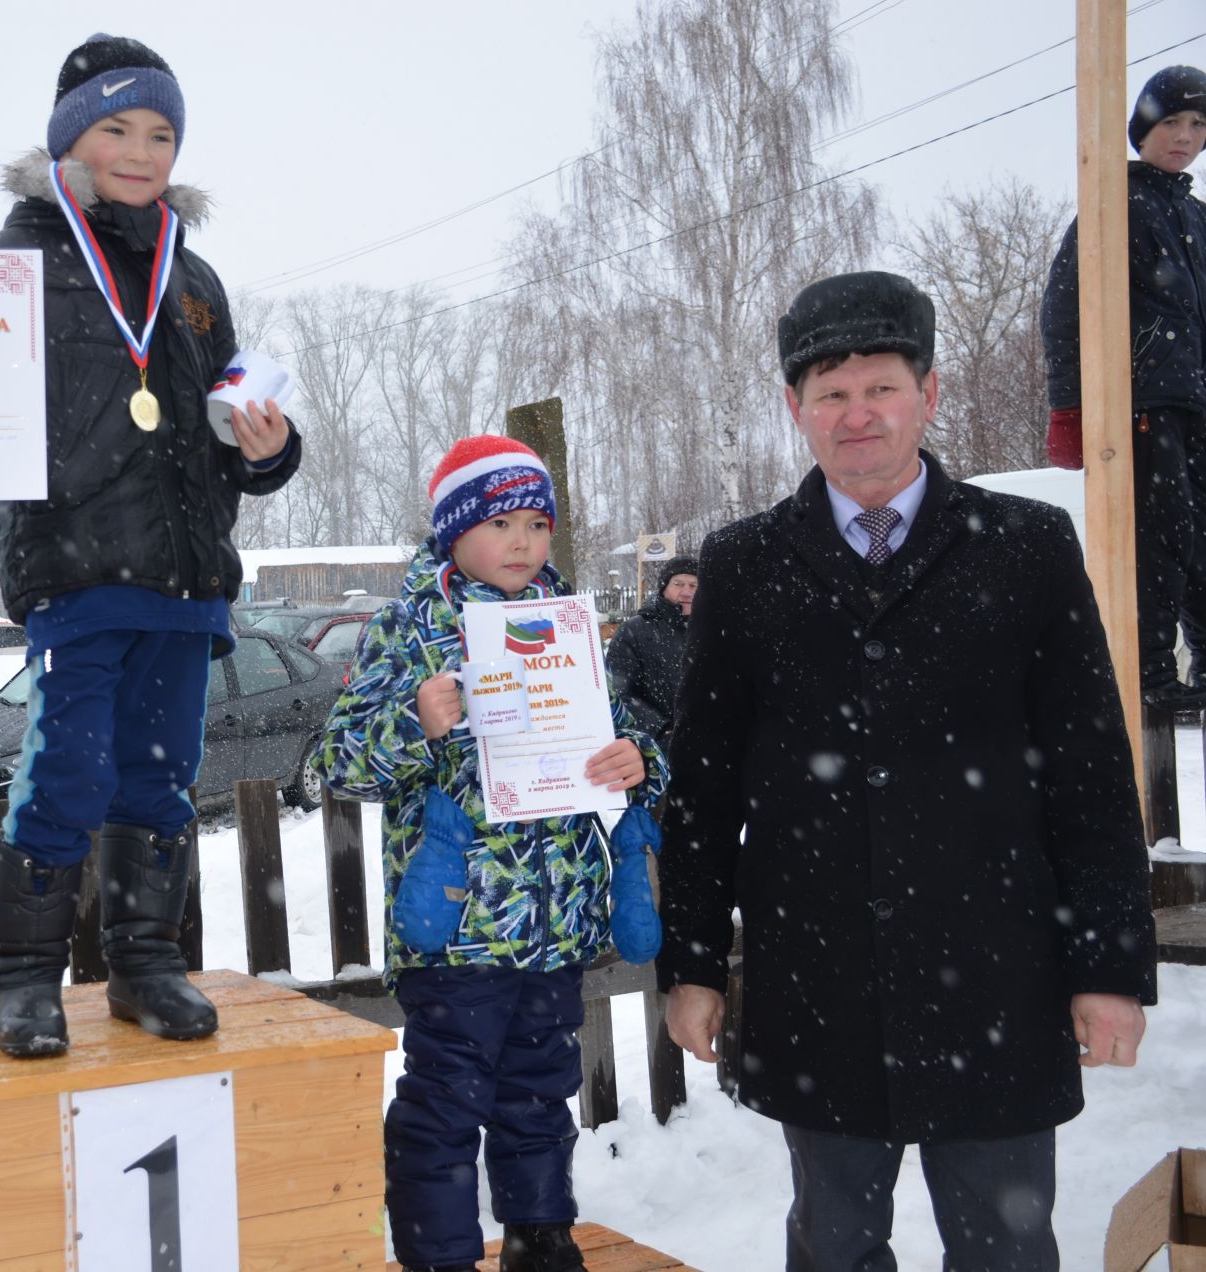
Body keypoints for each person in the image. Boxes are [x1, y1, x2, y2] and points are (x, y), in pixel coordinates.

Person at [661, 271, 1156, 1271]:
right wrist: (694, 965)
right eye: (830, 393)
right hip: (823, 984)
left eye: (881, 386)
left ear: (930, 394)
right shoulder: (745, 568)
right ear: (793, 410)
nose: (858, 415)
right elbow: (704, 790)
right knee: (835, 1245)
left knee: (1007, 1248)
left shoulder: (1025, 548)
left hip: (996, 979)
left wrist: (1109, 967)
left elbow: (1091, 773)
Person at [0, 34, 302, 1057]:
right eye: (117, 127)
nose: (140, 149)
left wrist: (271, 446)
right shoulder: (6, 267)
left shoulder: (198, 278)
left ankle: (144, 965)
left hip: (186, 582)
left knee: (161, 780)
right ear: (67, 141)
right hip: (78, 577)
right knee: (66, 776)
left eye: (161, 132)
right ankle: (27, 977)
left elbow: (237, 413)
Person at [316, 435, 667, 1272]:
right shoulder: (408, 630)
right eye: (501, 521)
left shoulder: (569, 628)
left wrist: (640, 761)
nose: (522, 541)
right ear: (452, 532)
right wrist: (416, 721)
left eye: (538, 524)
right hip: (460, 923)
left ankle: (541, 1234)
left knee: (541, 1094)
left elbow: (627, 738)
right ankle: (437, 1255)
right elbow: (338, 762)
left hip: (556, 924)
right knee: (445, 1101)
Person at [1040, 64, 1206, 710]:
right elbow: (1063, 307)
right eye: (1171, 122)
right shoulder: (1113, 203)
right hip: (1141, 401)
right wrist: (1069, 406)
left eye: (1197, 124)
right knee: (1159, 537)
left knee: (1201, 539)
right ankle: (1148, 675)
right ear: (1143, 129)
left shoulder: (1195, 216)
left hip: (1196, 402)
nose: (1185, 135)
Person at [603, 554, 697, 743]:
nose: (686, 592)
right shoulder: (634, 631)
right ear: (664, 588)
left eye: (693, 585)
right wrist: (661, 730)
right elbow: (618, 693)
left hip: (712, 747)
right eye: (678, 584)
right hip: (657, 747)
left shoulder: (713, 631)